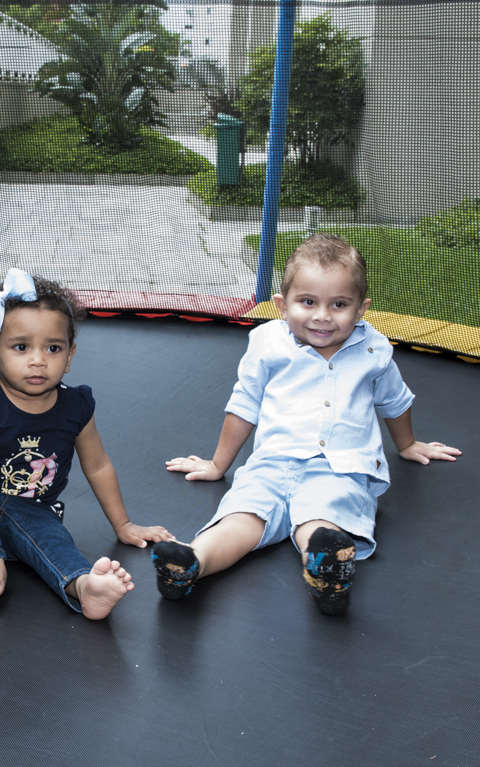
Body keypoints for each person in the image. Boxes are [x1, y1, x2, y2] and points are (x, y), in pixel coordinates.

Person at [154, 233, 460, 615]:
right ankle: (190, 564)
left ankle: (325, 570)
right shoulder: (267, 343)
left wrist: (407, 445)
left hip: (338, 468)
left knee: (320, 519)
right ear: (282, 305)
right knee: (241, 519)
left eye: (339, 304)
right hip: (271, 464)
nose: (322, 316)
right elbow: (244, 405)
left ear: (361, 309)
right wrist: (218, 465)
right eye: (308, 302)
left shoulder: (373, 351)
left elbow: (394, 402)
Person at [0, 269, 173, 620]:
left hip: (34, 510)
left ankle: (83, 587)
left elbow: (97, 465)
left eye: (53, 348)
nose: (38, 359)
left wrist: (124, 525)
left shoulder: (77, 406)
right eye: (21, 347)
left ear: (69, 356)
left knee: (54, 542)